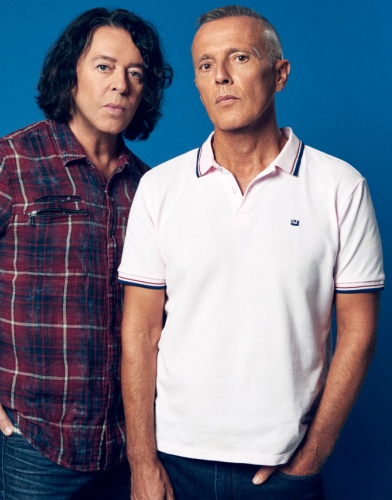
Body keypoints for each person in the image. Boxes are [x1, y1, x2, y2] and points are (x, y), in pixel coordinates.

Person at [0, 7, 172, 499]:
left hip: (130, 444)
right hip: (34, 442)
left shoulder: (150, 187)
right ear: (70, 75)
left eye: (135, 73)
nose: (121, 85)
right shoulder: (8, 164)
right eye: (104, 66)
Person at [119, 5, 383, 499]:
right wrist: (142, 461)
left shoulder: (341, 187)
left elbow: (359, 331)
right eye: (205, 65)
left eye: (239, 57)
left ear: (279, 74)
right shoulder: (159, 188)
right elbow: (140, 331)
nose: (221, 76)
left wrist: (312, 456)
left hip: (283, 469)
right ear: (197, 85)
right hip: (174, 465)